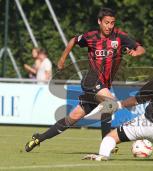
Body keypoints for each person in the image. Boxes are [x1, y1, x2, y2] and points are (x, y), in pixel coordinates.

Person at [25, 7, 145, 152]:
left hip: (102, 86)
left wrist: (136, 52)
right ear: (99, 22)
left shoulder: (119, 36)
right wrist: (62, 59)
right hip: (92, 80)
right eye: (106, 22)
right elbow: (73, 40)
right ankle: (106, 141)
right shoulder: (91, 36)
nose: (109, 26)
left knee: (72, 118)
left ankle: (38, 138)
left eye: (112, 23)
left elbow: (140, 48)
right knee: (110, 102)